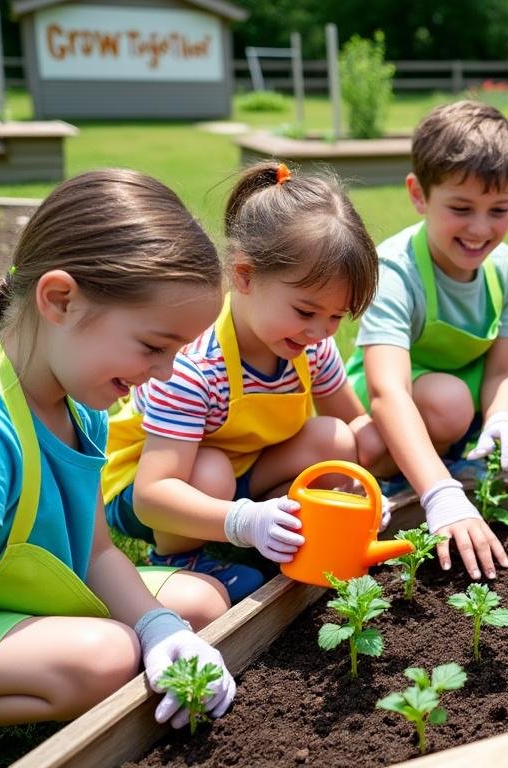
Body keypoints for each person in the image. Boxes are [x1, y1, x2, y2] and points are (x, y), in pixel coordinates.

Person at [0, 169, 235, 728]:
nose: (165, 372)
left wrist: (159, 628)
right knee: (106, 658)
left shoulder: (82, 399)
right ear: (59, 300)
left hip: (24, 602)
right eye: (154, 346)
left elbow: (95, 551)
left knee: (202, 605)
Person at [102, 162, 382, 603]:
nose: (320, 331)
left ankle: (281, 530)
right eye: (306, 312)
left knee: (336, 440)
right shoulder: (194, 366)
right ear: (244, 275)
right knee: (210, 469)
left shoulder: (310, 348)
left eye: (336, 316)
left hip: (241, 472)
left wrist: (372, 490)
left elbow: (358, 425)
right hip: (152, 490)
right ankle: (180, 558)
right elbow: (151, 495)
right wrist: (242, 521)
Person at [346, 101, 508, 582]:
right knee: (447, 403)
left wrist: (502, 417)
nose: (480, 229)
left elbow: (503, 368)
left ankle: (467, 450)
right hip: (392, 394)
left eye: (499, 211)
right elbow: (389, 392)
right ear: (419, 195)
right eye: (461, 208)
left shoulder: (504, 266)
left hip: (458, 390)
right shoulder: (396, 271)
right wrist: (440, 494)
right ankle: (429, 469)